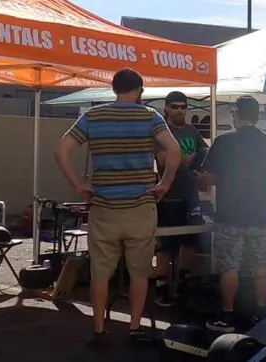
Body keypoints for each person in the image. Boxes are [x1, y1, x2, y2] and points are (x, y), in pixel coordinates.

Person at [53, 68, 179, 346]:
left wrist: (78, 186)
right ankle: (134, 328)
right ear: (140, 90)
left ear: (113, 89)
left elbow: (61, 149)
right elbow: (174, 150)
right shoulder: (150, 116)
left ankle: (99, 330)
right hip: (141, 208)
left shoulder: (93, 116)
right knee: (139, 273)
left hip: (104, 208)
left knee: (100, 273)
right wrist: (165, 184)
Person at [199, 96, 266, 332]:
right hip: (261, 212)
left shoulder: (224, 141)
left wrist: (202, 179)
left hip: (230, 213)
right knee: (262, 264)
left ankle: (227, 317)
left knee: (229, 267)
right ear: (257, 115)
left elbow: (210, 176)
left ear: (236, 113)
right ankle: (261, 313)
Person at [153, 90, 208, 307]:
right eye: (174, 106)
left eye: (183, 107)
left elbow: (206, 154)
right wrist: (189, 160)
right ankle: (161, 286)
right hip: (168, 196)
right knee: (165, 245)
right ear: (166, 108)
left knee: (190, 242)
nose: (179, 110)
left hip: (191, 194)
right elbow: (164, 159)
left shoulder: (191, 131)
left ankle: (183, 281)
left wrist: (199, 168)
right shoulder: (160, 132)